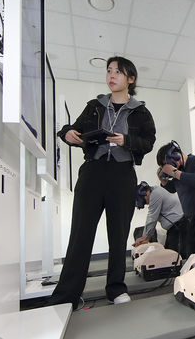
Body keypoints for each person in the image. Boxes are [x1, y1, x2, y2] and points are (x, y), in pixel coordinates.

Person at [48, 56, 156, 308]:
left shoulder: (141, 112)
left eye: (118, 72)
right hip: (92, 173)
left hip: (122, 175)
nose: (111, 75)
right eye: (109, 71)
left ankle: (116, 289)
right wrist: (68, 134)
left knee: (118, 235)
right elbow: (71, 129)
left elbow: (148, 142)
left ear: (131, 79)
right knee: (80, 234)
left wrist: (125, 141)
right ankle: (67, 296)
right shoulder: (94, 106)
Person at [134, 174, 187, 258]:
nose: (147, 203)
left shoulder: (155, 194)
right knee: (169, 257)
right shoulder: (155, 191)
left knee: (173, 257)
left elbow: (152, 218)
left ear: (145, 194)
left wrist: (144, 237)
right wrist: (145, 237)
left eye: (145, 201)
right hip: (176, 228)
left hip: (179, 227)